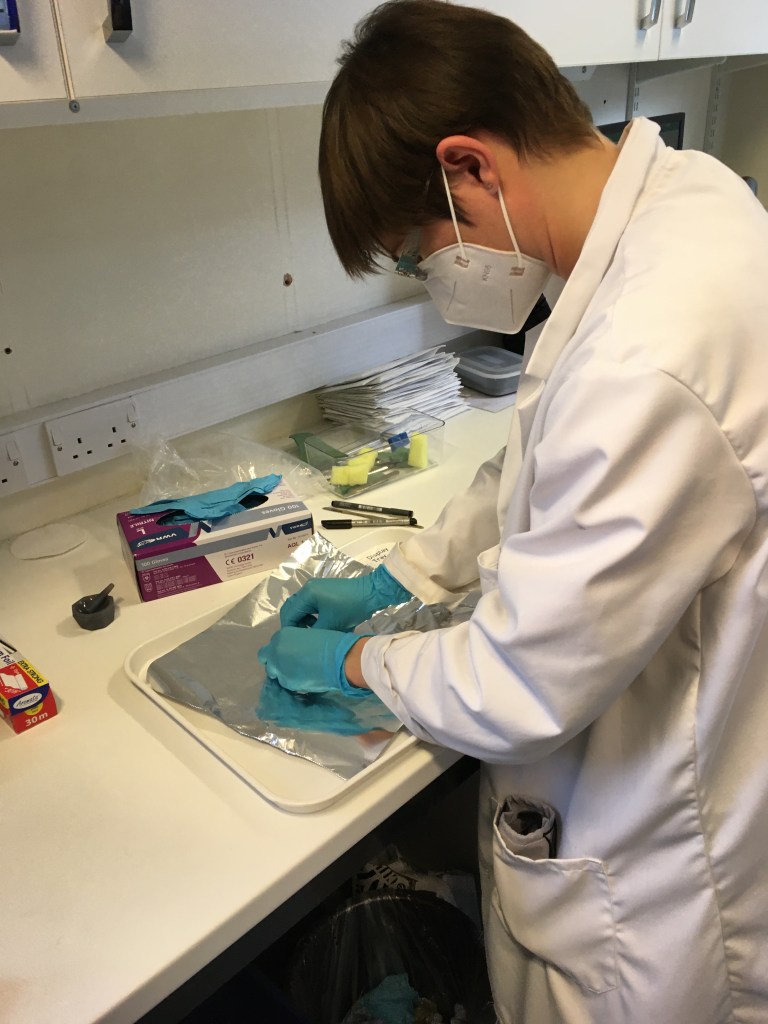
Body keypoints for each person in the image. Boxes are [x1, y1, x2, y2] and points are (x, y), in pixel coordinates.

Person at [257, 2, 768, 1020]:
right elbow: (543, 459)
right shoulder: (686, 203)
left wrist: (359, 662)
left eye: (417, 253)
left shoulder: (647, 350)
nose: (429, 282)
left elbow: (518, 682)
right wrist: (404, 571)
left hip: (649, 885)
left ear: (472, 168)